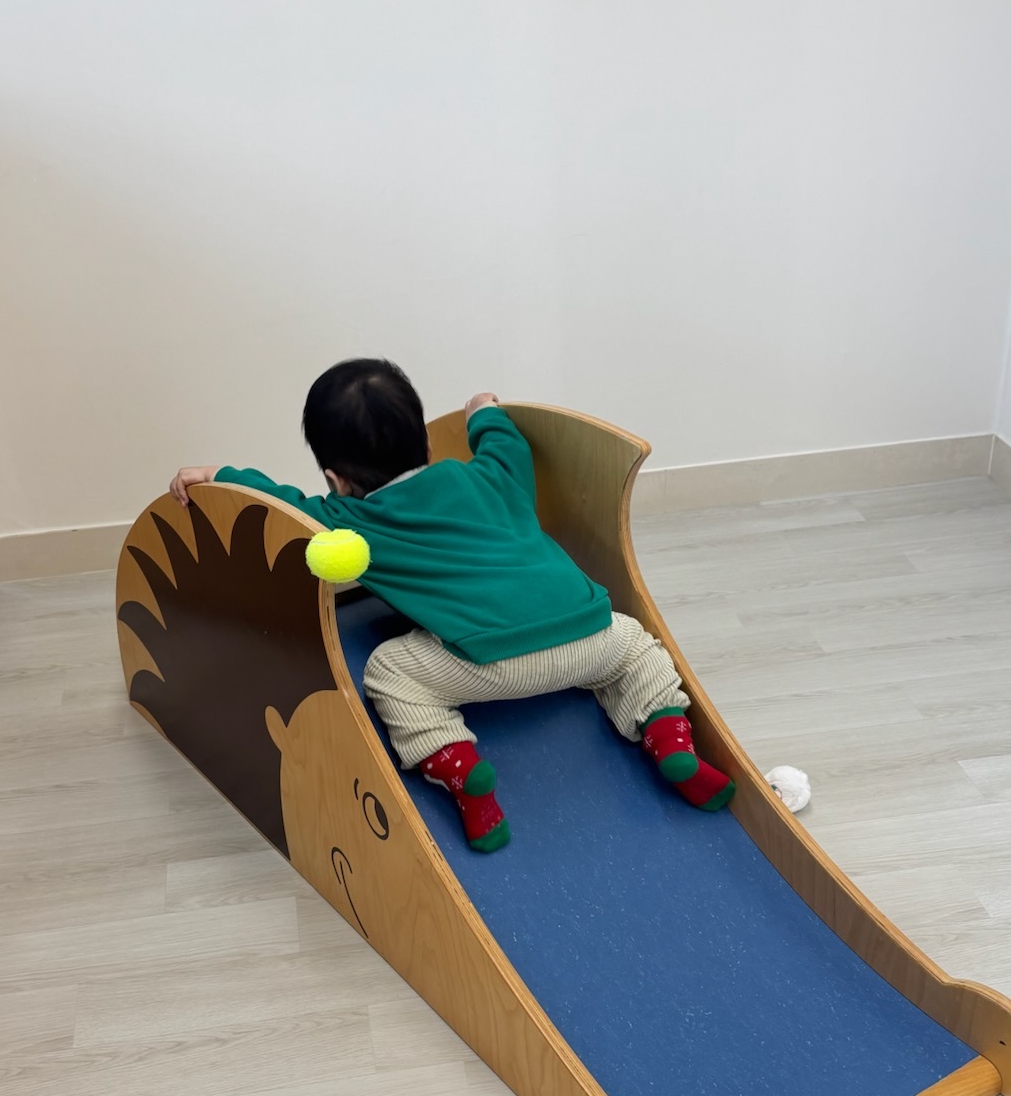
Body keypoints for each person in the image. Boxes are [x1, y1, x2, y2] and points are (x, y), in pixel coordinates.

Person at [170, 357, 737, 852]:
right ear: (425, 443)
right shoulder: (490, 475)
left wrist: (219, 475)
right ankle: (668, 733)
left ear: (335, 480)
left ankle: (460, 769)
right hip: (588, 635)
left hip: (486, 663)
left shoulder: (347, 518)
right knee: (636, 646)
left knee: (389, 672)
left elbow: (279, 506)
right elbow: (507, 444)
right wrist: (483, 411)